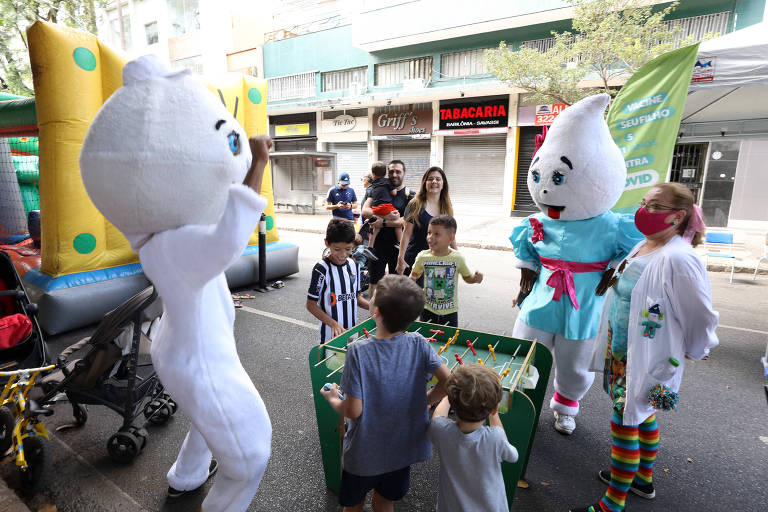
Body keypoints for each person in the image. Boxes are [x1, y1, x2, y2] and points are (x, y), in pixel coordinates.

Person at [570, 183, 718, 512]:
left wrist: (698, 347)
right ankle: (641, 479)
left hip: (643, 360)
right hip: (621, 354)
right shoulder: (644, 244)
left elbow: (700, 315)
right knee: (642, 415)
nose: (643, 211)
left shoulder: (679, 258)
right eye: (643, 203)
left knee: (625, 423)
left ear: (678, 216)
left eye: (653, 206)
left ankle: (613, 503)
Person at [320, 275, 451, 512]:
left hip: (363, 454)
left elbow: (352, 410)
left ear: (376, 312)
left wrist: (332, 398)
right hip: (401, 452)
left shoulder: (358, 351)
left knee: (354, 505)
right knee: (385, 503)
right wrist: (427, 400)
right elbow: (449, 381)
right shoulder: (420, 343)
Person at [430, 364, 519, 512]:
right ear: (495, 408)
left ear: (452, 404)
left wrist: (448, 395)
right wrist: (493, 413)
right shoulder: (495, 438)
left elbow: (437, 417)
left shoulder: (440, 430)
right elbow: (513, 456)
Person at [409, 215, 482, 327]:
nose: (430, 237)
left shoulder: (457, 258)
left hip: (450, 311)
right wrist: (409, 285)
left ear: (451, 238)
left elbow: (467, 278)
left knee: (449, 340)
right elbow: (413, 276)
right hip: (427, 309)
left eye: (437, 234)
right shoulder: (422, 256)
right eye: (429, 233)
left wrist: (476, 279)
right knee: (426, 340)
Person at [307, 218, 370, 343]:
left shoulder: (354, 265)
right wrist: (333, 324)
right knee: (332, 363)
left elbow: (356, 298)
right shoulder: (321, 269)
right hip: (330, 336)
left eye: (348, 249)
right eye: (337, 249)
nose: (342, 254)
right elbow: (311, 305)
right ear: (327, 243)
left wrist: (375, 308)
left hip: (352, 333)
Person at [362, 160, 415, 298]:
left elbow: (406, 221)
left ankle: (394, 314)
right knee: (374, 281)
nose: (394, 174)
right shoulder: (377, 188)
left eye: (398, 171)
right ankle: (373, 313)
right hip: (378, 247)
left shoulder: (410, 195)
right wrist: (385, 218)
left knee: (397, 283)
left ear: (404, 174)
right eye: (391, 171)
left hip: (399, 247)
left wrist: (382, 223)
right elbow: (365, 211)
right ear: (386, 173)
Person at [395, 166, 455, 277]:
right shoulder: (415, 204)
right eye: (430, 179)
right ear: (425, 183)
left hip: (438, 264)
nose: (434, 182)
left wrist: (458, 256)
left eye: (438, 179)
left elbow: (451, 235)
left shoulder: (447, 206)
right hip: (415, 262)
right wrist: (400, 258)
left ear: (443, 184)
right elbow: (406, 233)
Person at [364, 161, 400, 251]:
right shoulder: (387, 182)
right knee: (398, 220)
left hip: (375, 209)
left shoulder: (373, 185)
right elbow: (394, 193)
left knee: (375, 227)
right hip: (386, 208)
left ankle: (370, 247)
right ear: (385, 174)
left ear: (373, 174)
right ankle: (400, 242)